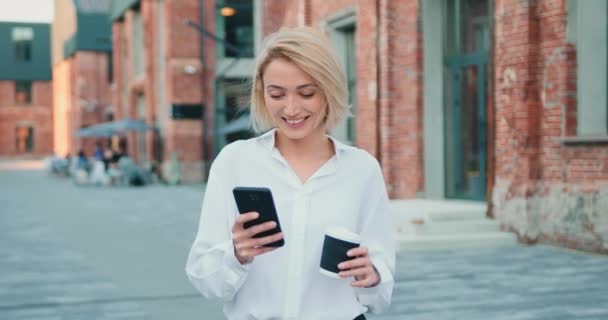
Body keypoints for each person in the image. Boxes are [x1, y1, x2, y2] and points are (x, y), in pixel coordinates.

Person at [185, 26, 395, 320]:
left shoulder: (362, 170)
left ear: (328, 90)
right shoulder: (235, 161)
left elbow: (380, 293)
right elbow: (207, 280)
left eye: (307, 93)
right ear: (262, 92)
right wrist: (236, 255)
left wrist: (371, 275)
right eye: (277, 94)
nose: (291, 108)